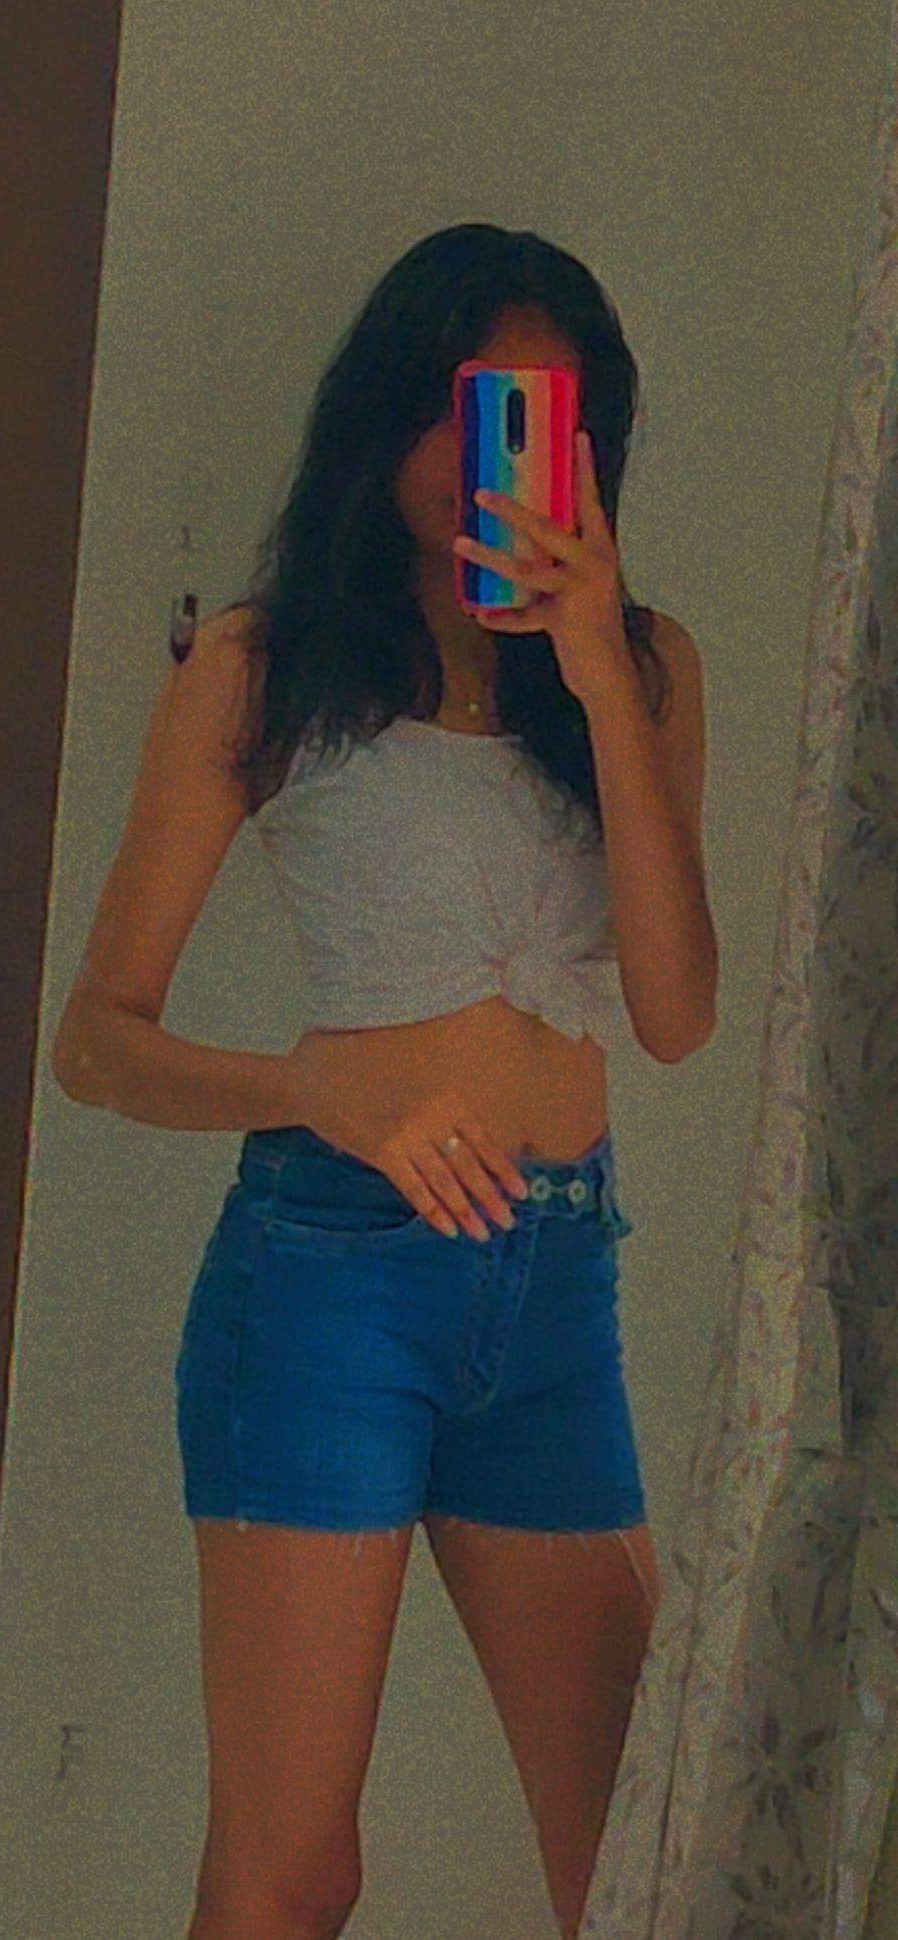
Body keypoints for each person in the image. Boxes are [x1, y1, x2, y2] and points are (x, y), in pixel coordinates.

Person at [52, 224, 715, 1940]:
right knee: (292, 1877)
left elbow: (676, 1013)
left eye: (532, 420)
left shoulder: (643, 672)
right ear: (388, 410)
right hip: (329, 1275)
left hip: (555, 1293)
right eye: (455, 404)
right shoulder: (265, 667)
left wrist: (597, 673)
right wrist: (313, 1087)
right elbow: (98, 1037)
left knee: (648, 1858)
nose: (475, 457)